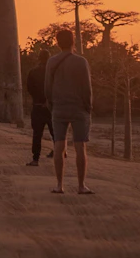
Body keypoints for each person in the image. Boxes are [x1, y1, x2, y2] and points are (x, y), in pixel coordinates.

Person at [47, 27, 93, 194]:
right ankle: (81, 186)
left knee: (59, 146)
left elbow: (47, 87)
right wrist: (88, 107)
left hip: (59, 107)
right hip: (79, 108)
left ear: (57, 43)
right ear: (73, 41)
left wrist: (52, 105)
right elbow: (87, 88)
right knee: (80, 147)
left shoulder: (51, 62)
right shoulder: (81, 62)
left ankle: (59, 185)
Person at [25, 50, 53, 166]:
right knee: (55, 133)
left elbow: (29, 89)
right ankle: (61, 154)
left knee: (37, 134)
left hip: (37, 106)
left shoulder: (33, 72)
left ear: (39, 58)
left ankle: (35, 159)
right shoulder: (53, 72)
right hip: (51, 107)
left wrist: (38, 99)